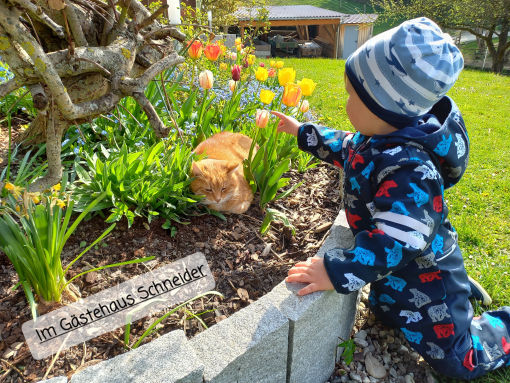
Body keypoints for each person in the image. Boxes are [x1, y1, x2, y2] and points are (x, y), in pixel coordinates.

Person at [271, 17, 510, 380]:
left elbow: (397, 243)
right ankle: (420, 301)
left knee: (458, 361)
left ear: (387, 108)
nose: (345, 101)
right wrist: (304, 132)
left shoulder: (411, 170)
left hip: (430, 283)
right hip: (401, 276)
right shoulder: (380, 138)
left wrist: (336, 271)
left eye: (352, 95)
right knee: (388, 309)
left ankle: (497, 325)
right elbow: (347, 147)